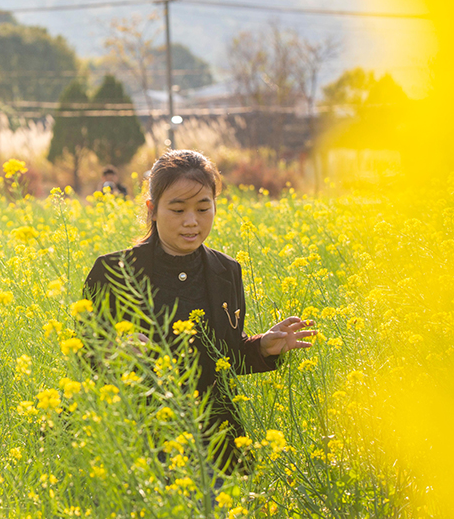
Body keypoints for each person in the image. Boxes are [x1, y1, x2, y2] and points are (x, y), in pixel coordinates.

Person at [81, 149, 315, 469]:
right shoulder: (112, 272)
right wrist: (114, 351)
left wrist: (261, 347)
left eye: (203, 208)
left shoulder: (226, 271)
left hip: (216, 442)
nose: (192, 221)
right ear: (152, 210)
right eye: (177, 209)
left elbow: (224, 358)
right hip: (135, 446)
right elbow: (83, 357)